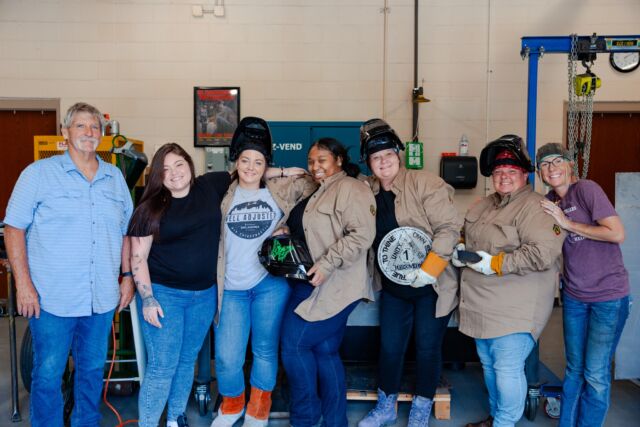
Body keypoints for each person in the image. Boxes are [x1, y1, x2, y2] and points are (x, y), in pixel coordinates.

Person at [4, 102, 134, 427]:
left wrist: (128, 276)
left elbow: (127, 232)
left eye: (94, 127)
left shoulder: (115, 178)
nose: (89, 132)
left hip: (101, 299)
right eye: (80, 126)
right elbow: (13, 228)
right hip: (51, 300)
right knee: (48, 374)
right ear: (65, 132)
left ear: (101, 136)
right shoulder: (38, 174)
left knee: (91, 372)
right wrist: (24, 285)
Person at [357, 119, 461, 427]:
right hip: (394, 288)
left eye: (388, 154)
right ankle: (385, 405)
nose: (383, 161)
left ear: (398, 155)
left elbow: (448, 228)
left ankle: (420, 409)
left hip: (432, 286)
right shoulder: (367, 191)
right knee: (390, 347)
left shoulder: (426, 183)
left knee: (428, 348)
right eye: (376, 158)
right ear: (369, 163)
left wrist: (429, 270)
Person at [211, 117, 313, 427]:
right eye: (246, 161)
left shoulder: (279, 189)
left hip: (269, 285)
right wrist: (272, 167)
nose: (252, 167)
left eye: (259, 162)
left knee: (265, 348)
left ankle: (258, 407)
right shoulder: (223, 192)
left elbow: (314, 181)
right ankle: (231, 405)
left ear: (267, 163)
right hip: (230, 286)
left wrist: (280, 173)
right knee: (228, 355)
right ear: (236, 161)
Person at [459, 135, 565, 427]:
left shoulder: (535, 207)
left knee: (506, 367)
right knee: (490, 367)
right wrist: (460, 247)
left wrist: (495, 263)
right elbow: (468, 234)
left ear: (525, 174)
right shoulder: (486, 205)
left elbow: (543, 253)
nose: (503, 177)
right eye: (498, 172)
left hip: (515, 307)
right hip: (482, 304)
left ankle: (505, 423)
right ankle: (497, 417)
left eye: (511, 172)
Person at [128, 143, 228, 427]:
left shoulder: (211, 186)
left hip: (204, 295)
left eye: (179, 165)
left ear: (190, 164)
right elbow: (138, 257)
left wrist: (284, 171)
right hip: (164, 295)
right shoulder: (149, 208)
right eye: (165, 170)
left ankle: (174, 419)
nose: (173, 174)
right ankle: (148, 423)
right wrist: (148, 299)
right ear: (158, 176)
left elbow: (249, 171)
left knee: (186, 362)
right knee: (163, 366)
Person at [279, 137, 376, 427]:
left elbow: (361, 235)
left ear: (339, 160)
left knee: (293, 347)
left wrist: (327, 263)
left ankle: (305, 419)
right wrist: (285, 228)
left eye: (322, 159)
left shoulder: (351, 189)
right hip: (305, 282)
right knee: (325, 351)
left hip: (334, 284)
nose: (315, 166)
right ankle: (335, 421)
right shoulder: (315, 190)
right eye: (311, 161)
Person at [536, 143, 630, 427]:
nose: (552, 168)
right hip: (575, 297)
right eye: (545, 163)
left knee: (595, 373)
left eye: (557, 161)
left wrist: (568, 223)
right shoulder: (550, 201)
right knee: (574, 369)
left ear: (569, 165)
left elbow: (616, 233)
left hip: (607, 297)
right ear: (539, 172)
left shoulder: (587, 190)